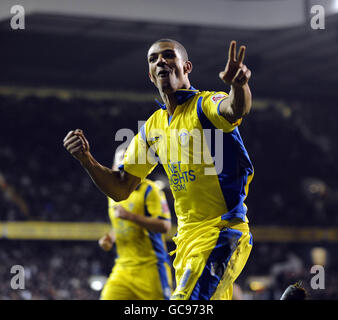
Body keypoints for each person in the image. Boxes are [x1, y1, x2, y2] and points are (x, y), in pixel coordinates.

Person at [64, 39, 254, 300]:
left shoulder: (206, 104)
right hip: (185, 242)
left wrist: (239, 84)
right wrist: (87, 160)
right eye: (154, 59)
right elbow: (120, 188)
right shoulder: (154, 126)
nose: (160, 61)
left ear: (186, 67)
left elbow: (235, 108)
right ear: (151, 75)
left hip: (222, 234)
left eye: (168, 56)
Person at [99, 148, 173, 300]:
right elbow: (120, 225)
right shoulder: (111, 194)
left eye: (128, 159)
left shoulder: (149, 189)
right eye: (120, 159)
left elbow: (165, 225)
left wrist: (130, 216)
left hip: (151, 268)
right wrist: (111, 237)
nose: (124, 162)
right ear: (113, 166)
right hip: (123, 268)